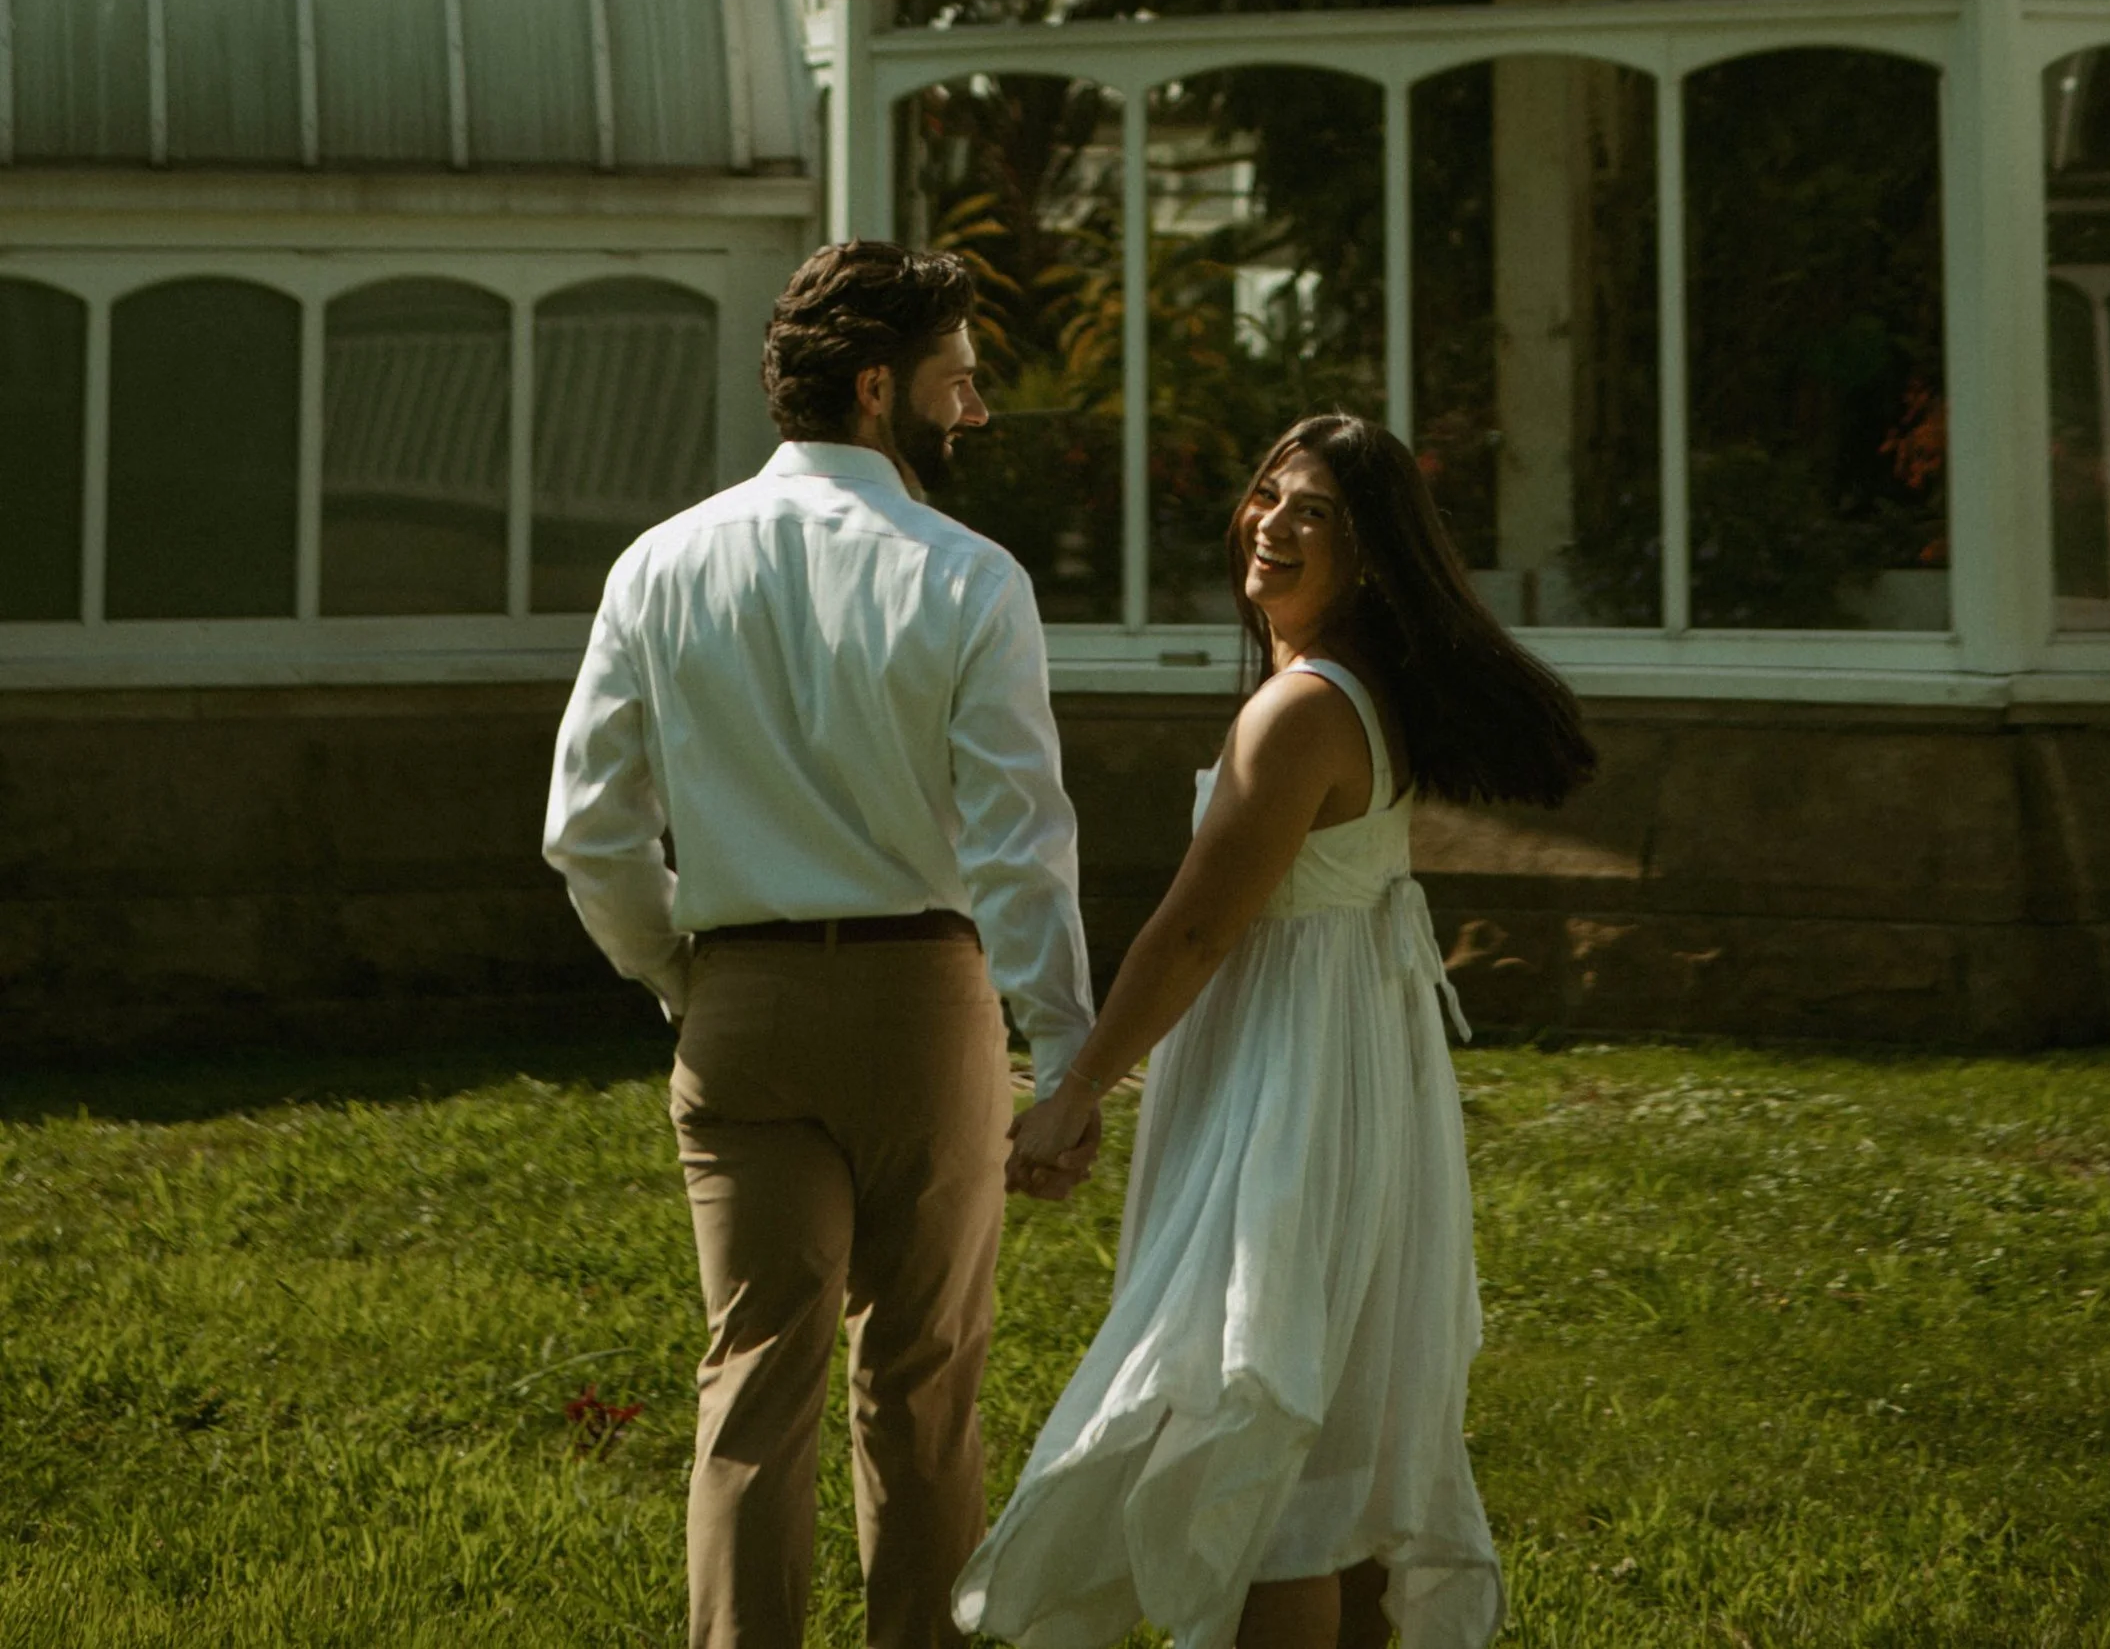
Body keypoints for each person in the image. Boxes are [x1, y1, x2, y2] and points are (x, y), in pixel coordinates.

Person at [957, 413, 1597, 1649]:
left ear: (1372, 561)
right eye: (1270, 494)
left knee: (1264, 1453)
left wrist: (1076, 1086)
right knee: (1335, 1441)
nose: (1275, 523)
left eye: (1318, 514)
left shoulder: (1300, 712)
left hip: (1288, 1084)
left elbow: (1194, 933)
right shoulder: (1362, 696)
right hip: (1354, 1067)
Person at [544, 237, 1097, 1649]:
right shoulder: (969, 577)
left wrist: (683, 972)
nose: (973, 409)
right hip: (925, 1001)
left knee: (750, 1383)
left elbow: (588, 829)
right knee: (922, 1379)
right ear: (875, 386)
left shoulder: (658, 562)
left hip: (739, 1003)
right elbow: (1018, 842)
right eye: (958, 380)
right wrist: (1068, 1047)